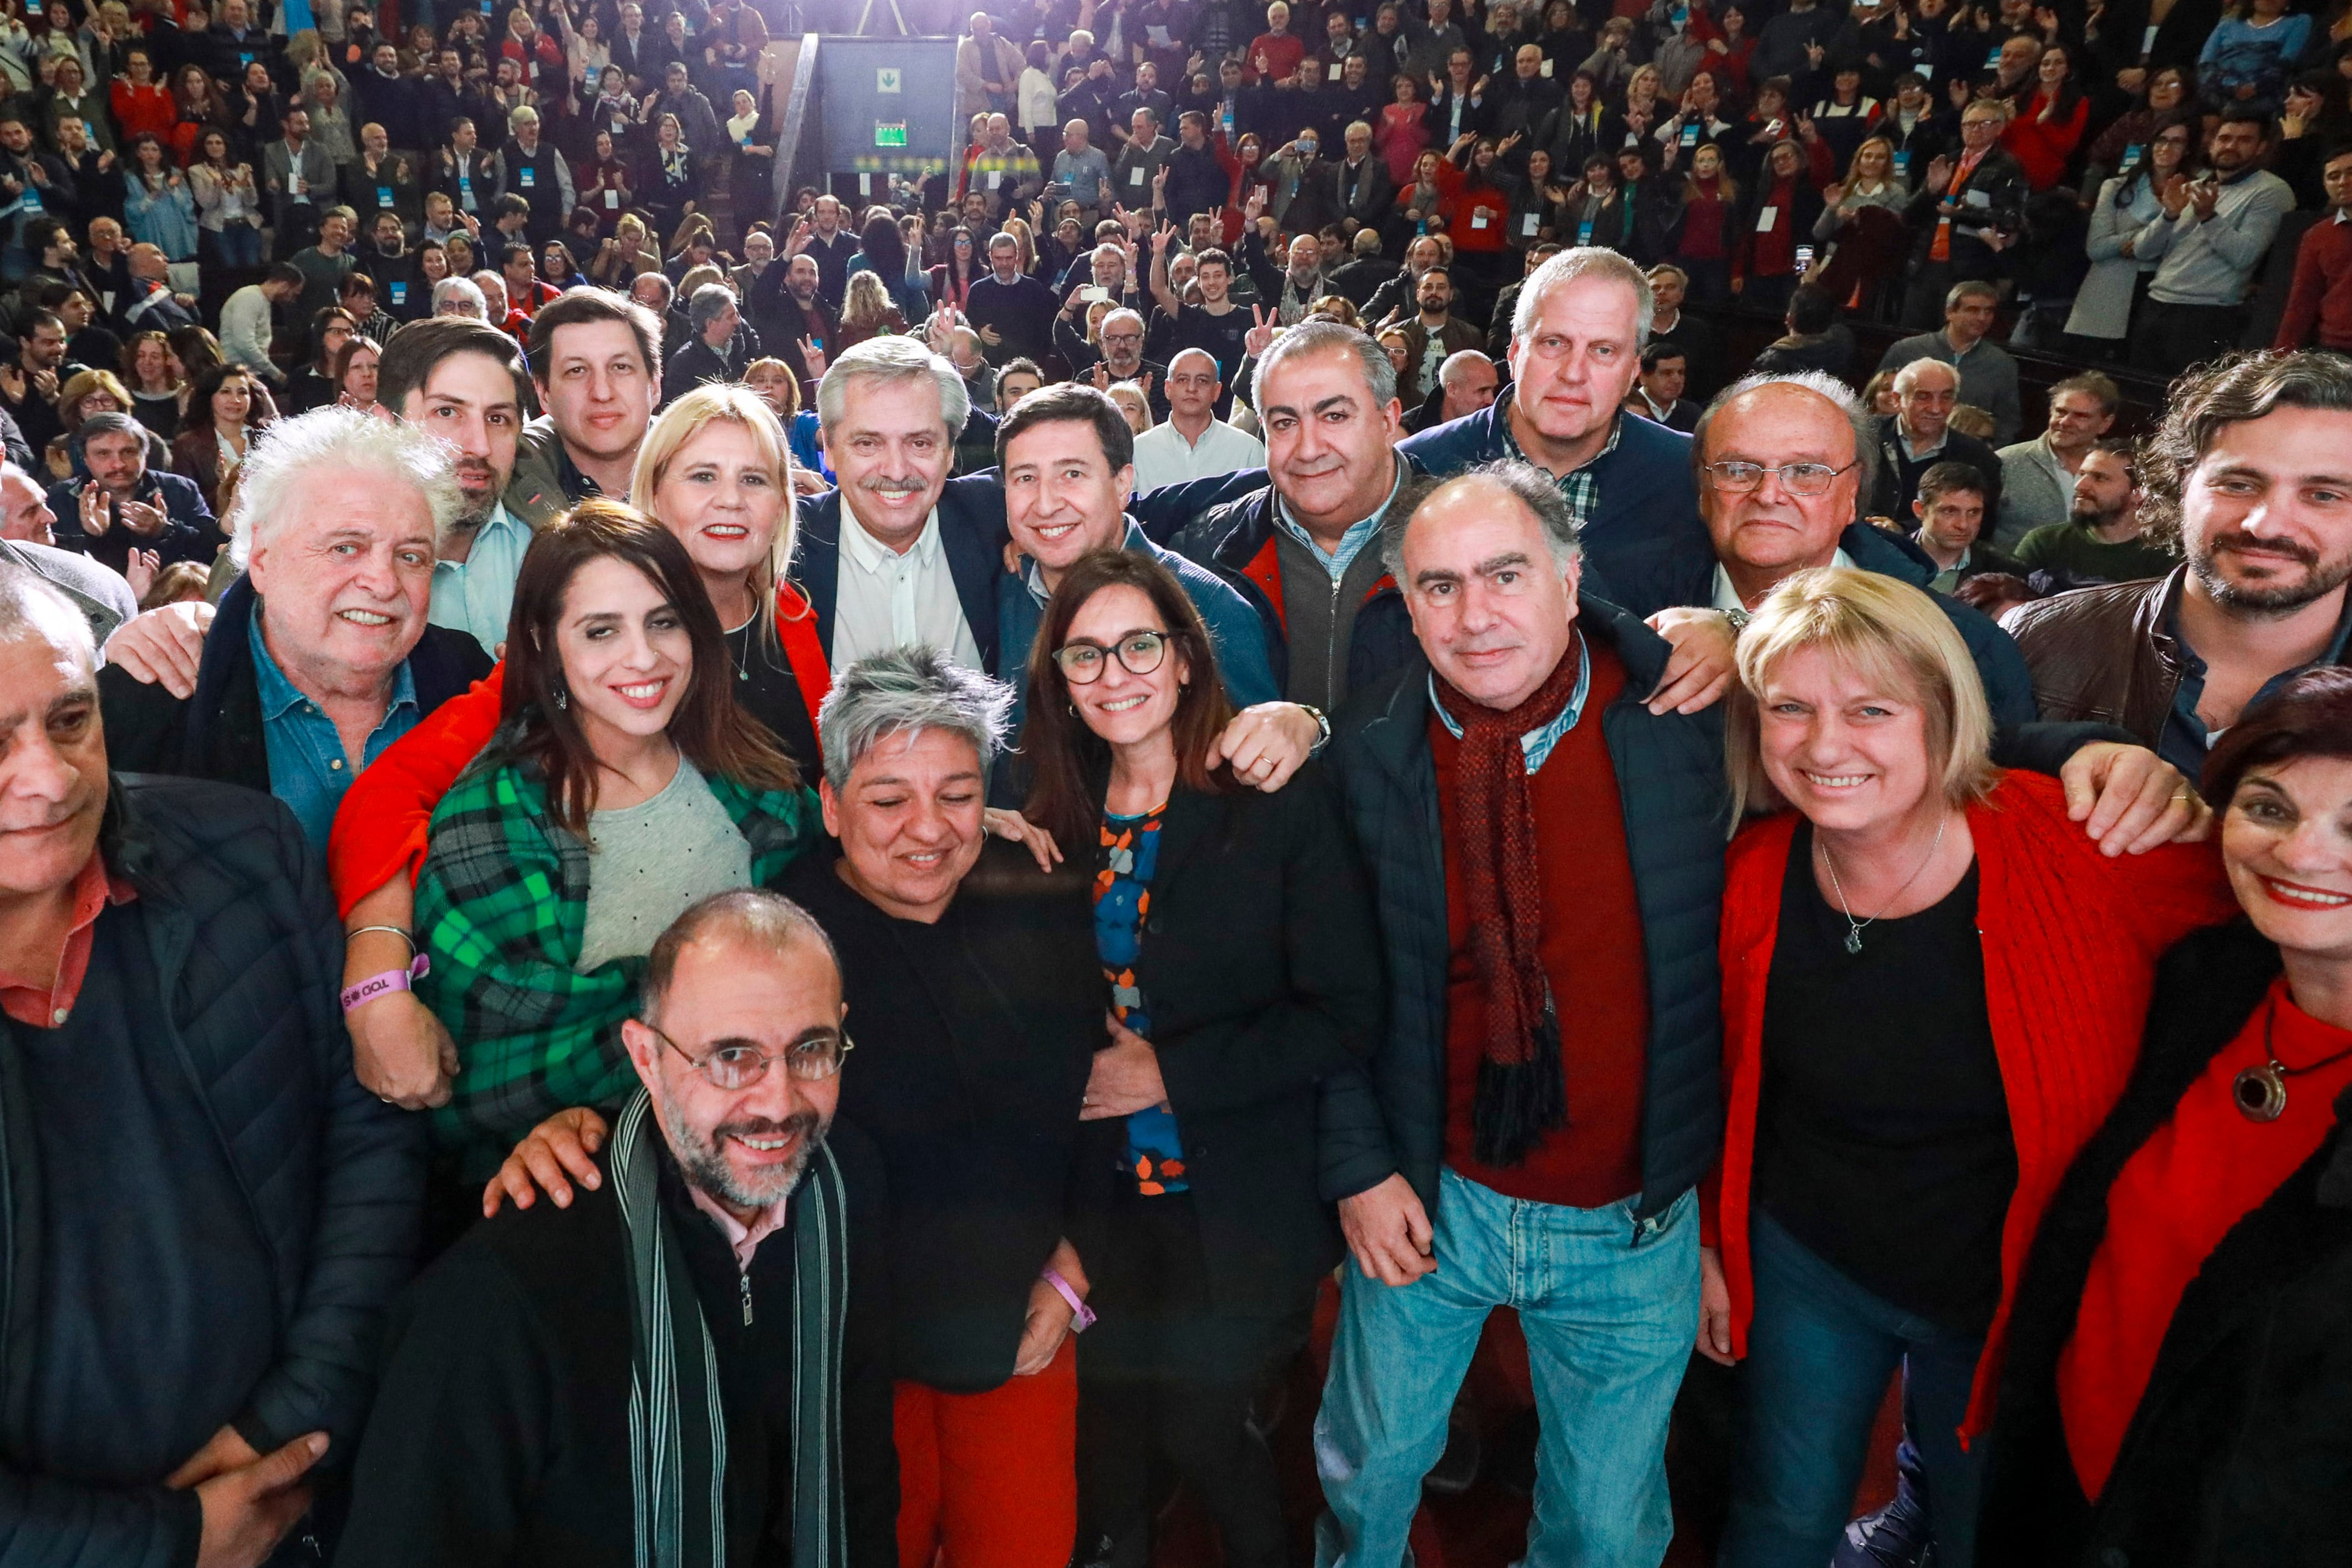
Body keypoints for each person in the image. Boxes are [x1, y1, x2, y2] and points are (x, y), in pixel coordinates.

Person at [1704, 566, 2232, 1568]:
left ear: (1942, 716)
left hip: (2005, 1277)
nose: (1824, 745)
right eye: (1788, 708)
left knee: (1981, 1527)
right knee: (1780, 1509)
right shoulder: (1751, 875)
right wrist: (1711, 1243)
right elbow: (1719, 1079)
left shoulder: (2082, 843)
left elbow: (2269, 921)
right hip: (1812, 1255)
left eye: (1869, 709)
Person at [1310, 461, 1732, 1568]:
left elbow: (1912, 752)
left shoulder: (1686, 716)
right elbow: (1324, 987)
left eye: (1505, 574)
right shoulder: (1368, 751)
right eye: (1439, 586)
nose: (1476, 614)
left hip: (1629, 1218)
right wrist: (1360, 1166)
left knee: (1603, 1527)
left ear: (1571, 574)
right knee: (1370, 1476)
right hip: (1430, 1196)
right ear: (1404, 601)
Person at [0, 561, 424, 1567]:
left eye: (68, 720)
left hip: (294, 1503)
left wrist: (288, 1427)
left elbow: (366, 1134)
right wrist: (168, 1541)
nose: (49, 777)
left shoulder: (243, 850)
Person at [333, 889, 896, 1567]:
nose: (777, 1102)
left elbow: (858, 1473)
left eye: (810, 1049)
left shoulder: (844, 1189)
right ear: (647, 1057)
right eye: (730, 1057)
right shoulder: (501, 1294)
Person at [1018, 547, 1382, 1568]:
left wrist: (1170, 1070)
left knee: (1199, 1425)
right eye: (1083, 656)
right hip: (1105, 1193)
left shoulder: (1266, 795)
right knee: (1115, 1426)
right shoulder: (1057, 811)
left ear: (1184, 657)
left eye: (1138, 645)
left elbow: (1344, 1012)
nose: (1113, 673)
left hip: (1238, 1197)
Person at [1979, 668, 2352, 1566]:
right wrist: (2096, 749)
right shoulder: (2205, 978)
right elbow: (1968, 736)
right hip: (2064, 1487)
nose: (2301, 854)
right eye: (2267, 808)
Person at [401, 501, 821, 1187]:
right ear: (544, 643)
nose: (643, 656)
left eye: (664, 621)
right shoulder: (489, 823)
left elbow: (832, 917)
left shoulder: (754, 779)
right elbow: (479, 1090)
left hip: (784, 1160)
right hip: (594, 1194)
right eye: (601, 630)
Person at [2010, 351, 2352, 775]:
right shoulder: (2036, 640)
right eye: (2237, 484)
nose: (2265, 526)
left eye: (2324, 496)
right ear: (2177, 484)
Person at [1687, 371, 2039, 725]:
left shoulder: (1968, 648)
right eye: (1736, 470)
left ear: (1852, 493)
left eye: (1806, 470)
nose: (1767, 495)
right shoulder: (1635, 611)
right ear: (1704, 490)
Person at [1397, 247, 1714, 624]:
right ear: (1515, 352)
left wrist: (1727, 629)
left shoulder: (1692, 475)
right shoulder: (1415, 469)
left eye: (1603, 350)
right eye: (1554, 343)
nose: (1573, 373)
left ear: (1632, 371)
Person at [995, 383, 1283, 752]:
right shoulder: (1011, 585)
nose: (1046, 504)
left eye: (1072, 474)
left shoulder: (1207, 608)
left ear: (1122, 485)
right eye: (1026, 478)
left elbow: (1263, 766)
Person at [795, 335, 1003, 676]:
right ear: (829, 449)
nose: (896, 470)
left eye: (920, 443)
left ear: (950, 451)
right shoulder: (783, 546)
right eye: (867, 443)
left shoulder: (1001, 515)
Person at [376, 317, 533, 659]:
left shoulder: (546, 543)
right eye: (447, 412)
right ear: (386, 425)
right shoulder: (340, 567)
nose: (480, 446)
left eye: (497, 419)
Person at [2134, 113, 2296, 377]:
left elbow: (2245, 256)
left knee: (2190, 409)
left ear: (2262, 147)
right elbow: (2143, 251)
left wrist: (2209, 217)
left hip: (2209, 315)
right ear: (2212, 144)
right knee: (2137, 399)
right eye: (2224, 138)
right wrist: (2169, 215)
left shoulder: (2272, 190)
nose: (2231, 146)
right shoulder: (2194, 186)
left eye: (2244, 140)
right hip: (2156, 305)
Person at [508, 288, 662, 529]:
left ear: (654, 385)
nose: (602, 393)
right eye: (576, 371)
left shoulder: (707, 466)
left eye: (621, 367)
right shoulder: (502, 481)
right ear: (543, 393)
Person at [45, 409, 215, 574]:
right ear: (86, 460)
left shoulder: (180, 490)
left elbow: (214, 553)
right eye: (103, 454)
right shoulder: (58, 499)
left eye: (128, 452)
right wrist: (93, 537)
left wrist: (165, 531)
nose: (118, 464)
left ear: (145, 454)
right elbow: (51, 570)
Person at [2014, 440, 2181, 589]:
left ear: (2138, 493)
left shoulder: (2165, 558)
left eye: (2100, 478)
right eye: (2082, 474)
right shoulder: (2044, 544)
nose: (2080, 485)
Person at [1877, 280, 2023, 447]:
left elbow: (2009, 423)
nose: (1982, 318)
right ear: (1950, 313)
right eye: (1973, 310)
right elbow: (1876, 399)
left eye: (1988, 311)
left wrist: (1984, 452)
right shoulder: (1907, 350)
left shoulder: (2002, 364)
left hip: (1965, 454)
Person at [1868, 357, 2005, 526]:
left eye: (1946, 398)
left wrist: (1905, 531)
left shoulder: (1979, 459)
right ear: (1897, 400)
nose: (1936, 409)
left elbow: (1981, 526)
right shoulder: (1864, 434)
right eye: (1923, 397)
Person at [1994, 373, 2120, 552]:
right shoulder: (2005, 462)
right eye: (2060, 412)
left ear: (2105, 424)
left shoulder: (2118, 470)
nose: (2065, 422)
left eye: (2081, 416)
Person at [1129, 347, 1265, 491]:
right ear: (1167, 389)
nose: (1192, 388)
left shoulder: (1248, 451)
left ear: (1217, 391)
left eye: (1202, 381)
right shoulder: (1138, 451)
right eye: (1183, 380)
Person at [2271, 142, 2352, 352]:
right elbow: (2301, 302)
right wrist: (2279, 360)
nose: (2343, 182)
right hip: (2336, 350)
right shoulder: (2317, 236)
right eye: (2334, 177)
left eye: (2351, 173)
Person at [169, 361, 269, 516]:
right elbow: (187, 506)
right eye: (226, 392)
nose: (235, 400)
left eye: (242, 392)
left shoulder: (269, 437)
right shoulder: (187, 445)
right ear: (210, 398)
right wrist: (224, 487)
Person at [1910, 460, 2024, 592]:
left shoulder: (2008, 573)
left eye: (1973, 512)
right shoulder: (1886, 556)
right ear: (1920, 510)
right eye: (1950, 511)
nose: (1963, 525)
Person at [660, 282, 749, 405]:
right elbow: (676, 412)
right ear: (710, 324)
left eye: (737, 315)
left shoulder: (741, 350)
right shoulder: (682, 365)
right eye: (730, 317)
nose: (737, 321)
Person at [1628, 340, 1698, 431]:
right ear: (1643, 377)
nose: (1677, 380)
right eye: (1667, 373)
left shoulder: (1694, 414)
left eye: (1681, 373)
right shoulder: (1627, 410)